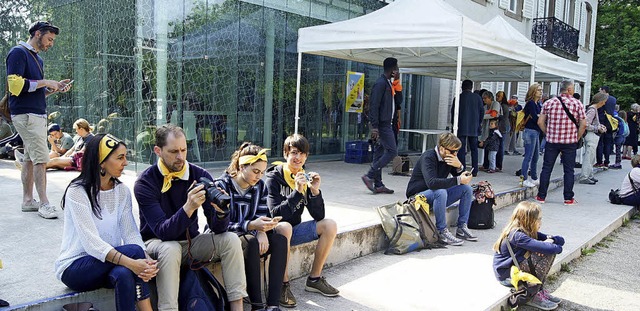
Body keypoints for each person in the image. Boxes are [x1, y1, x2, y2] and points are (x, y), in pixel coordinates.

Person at [134, 124, 247, 311]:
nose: (180, 157)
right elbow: (163, 232)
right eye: (174, 151)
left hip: (190, 243)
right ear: (158, 151)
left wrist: (220, 212)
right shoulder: (145, 182)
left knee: (230, 239)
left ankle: (237, 307)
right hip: (156, 244)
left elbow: (218, 229)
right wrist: (188, 208)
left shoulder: (199, 174)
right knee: (170, 248)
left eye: (184, 150)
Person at [55, 134, 158, 311]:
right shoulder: (77, 192)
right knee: (133, 255)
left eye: (125, 157)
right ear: (101, 162)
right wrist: (133, 260)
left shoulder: (122, 191)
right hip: (76, 268)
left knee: (124, 273)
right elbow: (92, 244)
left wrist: (144, 258)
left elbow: (130, 233)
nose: (125, 162)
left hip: (111, 264)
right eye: (120, 157)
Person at [266, 134, 340, 308]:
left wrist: (314, 192)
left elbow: (318, 216)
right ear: (286, 154)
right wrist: (297, 193)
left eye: (302, 154)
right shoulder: (273, 177)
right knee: (284, 227)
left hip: (295, 230)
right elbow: (274, 214)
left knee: (330, 225)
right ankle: (283, 285)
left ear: (306, 156)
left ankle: (314, 279)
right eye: (294, 153)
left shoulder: (304, 177)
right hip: (275, 233)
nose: (298, 157)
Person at [6, 21, 71, 218]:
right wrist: (45, 82)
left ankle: (28, 201)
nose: (51, 43)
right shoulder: (18, 52)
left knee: (29, 157)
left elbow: (33, 92)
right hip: (26, 115)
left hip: (35, 113)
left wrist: (53, 89)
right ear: (37, 34)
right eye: (49, 39)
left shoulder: (38, 60)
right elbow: (14, 86)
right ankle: (44, 203)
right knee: (41, 159)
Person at [213, 143, 288, 311]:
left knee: (280, 240)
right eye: (255, 171)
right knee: (251, 243)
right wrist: (252, 226)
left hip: (251, 233)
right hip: (226, 237)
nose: (259, 176)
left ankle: (273, 305)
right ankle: (257, 305)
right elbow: (221, 226)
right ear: (241, 166)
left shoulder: (260, 186)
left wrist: (262, 230)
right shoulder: (222, 186)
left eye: (262, 172)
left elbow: (261, 213)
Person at [405, 132, 477, 246]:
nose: (455, 154)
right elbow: (432, 183)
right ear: (442, 149)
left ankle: (462, 227)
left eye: (457, 151)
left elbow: (456, 176)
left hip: (437, 197)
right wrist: (459, 179)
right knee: (441, 191)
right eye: (453, 151)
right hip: (418, 197)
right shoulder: (428, 157)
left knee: (466, 189)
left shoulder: (449, 157)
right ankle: (441, 231)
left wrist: (460, 167)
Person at [492, 201, 564, 310]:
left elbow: (560, 241)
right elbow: (554, 249)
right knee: (547, 252)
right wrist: (547, 245)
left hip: (515, 270)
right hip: (507, 276)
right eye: (539, 219)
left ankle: (538, 289)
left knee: (547, 250)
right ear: (529, 220)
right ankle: (532, 294)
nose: (541, 222)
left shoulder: (527, 231)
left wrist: (551, 240)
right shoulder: (517, 235)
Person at [535, 81, 586, 205]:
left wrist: (548, 133)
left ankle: (541, 196)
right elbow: (583, 124)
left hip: (552, 141)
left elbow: (540, 122)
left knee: (547, 168)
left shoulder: (549, 102)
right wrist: (576, 137)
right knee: (569, 170)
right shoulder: (577, 103)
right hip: (569, 142)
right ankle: (568, 198)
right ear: (569, 90)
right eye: (573, 89)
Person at [361, 57, 399, 194]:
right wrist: (375, 126)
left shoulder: (388, 83)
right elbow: (374, 105)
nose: (398, 70)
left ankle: (378, 184)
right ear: (393, 69)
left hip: (386, 123)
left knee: (379, 154)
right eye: (397, 68)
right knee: (392, 151)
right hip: (382, 125)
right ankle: (370, 175)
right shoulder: (381, 83)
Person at [451, 80, 484, 176]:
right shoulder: (477, 98)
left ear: (462, 87)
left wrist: (454, 125)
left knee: (461, 149)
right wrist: (478, 123)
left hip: (461, 126)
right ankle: (475, 170)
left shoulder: (458, 97)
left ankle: (462, 169)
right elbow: (482, 112)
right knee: (474, 149)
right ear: (472, 87)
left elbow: (453, 112)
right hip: (474, 126)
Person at [579, 93, 608, 185]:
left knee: (591, 156)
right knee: (589, 156)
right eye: (604, 102)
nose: (604, 104)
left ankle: (589, 175)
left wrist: (599, 126)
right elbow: (586, 124)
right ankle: (585, 176)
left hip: (591, 135)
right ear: (601, 101)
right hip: (591, 135)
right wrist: (597, 128)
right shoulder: (592, 110)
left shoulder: (592, 109)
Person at [521, 83, 543, 188]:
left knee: (535, 156)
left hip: (536, 131)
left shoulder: (538, 104)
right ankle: (524, 178)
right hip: (530, 131)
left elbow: (540, 116)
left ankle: (534, 177)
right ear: (534, 91)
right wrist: (540, 117)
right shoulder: (530, 103)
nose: (541, 92)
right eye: (539, 90)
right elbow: (535, 117)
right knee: (528, 156)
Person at [595, 86, 616, 168]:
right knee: (608, 143)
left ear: (603, 90)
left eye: (600, 90)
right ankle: (606, 161)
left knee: (600, 143)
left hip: (601, 122)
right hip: (610, 123)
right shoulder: (613, 99)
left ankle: (599, 161)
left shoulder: (601, 99)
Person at [480, 91, 501, 171]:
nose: (484, 100)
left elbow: (494, 114)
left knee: (494, 149)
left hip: (496, 129)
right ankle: (486, 165)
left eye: (485, 98)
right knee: (487, 146)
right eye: (483, 98)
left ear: (490, 98)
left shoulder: (495, 104)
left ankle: (496, 166)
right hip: (487, 129)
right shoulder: (485, 106)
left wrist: (483, 116)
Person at [496, 91, 510, 165]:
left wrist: (497, 116)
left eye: (499, 96)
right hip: (501, 126)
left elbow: (505, 117)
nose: (497, 98)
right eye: (497, 96)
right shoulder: (500, 104)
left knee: (501, 145)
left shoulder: (504, 105)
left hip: (503, 127)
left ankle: (499, 164)